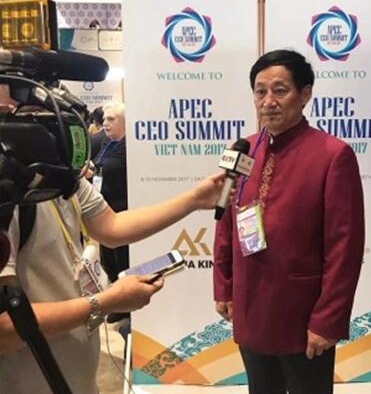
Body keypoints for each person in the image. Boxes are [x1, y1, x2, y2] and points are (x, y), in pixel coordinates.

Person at [0, 101, 226, 394]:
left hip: (76, 380)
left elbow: (112, 226)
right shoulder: (8, 199)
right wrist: (105, 302)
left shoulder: (64, 179)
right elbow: (5, 328)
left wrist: (195, 199)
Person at [213, 49, 365, 394]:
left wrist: (328, 320)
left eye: (280, 90)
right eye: (260, 91)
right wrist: (224, 286)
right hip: (250, 307)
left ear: (305, 94)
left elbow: (345, 248)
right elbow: (225, 223)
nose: (268, 101)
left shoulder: (333, 155)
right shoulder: (243, 149)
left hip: (302, 315)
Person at [94, 102, 129, 322]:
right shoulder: (106, 143)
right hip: (104, 210)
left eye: (111, 119)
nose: (105, 123)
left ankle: (126, 305)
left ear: (124, 122)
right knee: (108, 258)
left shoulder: (130, 147)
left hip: (123, 210)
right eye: (104, 119)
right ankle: (118, 300)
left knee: (123, 257)